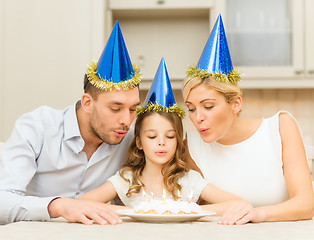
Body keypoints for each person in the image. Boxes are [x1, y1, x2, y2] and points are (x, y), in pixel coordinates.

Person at [0, 21, 141, 225]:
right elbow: (2, 201)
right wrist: (59, 206)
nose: (126, 121)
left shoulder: (132, 138)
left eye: (132, 109)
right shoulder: (37, 127)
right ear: (87, 103)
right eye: (115, 108)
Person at [79, 58, 249, 221]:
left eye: (170, 136)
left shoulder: (187, 180)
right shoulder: (127, 180)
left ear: (178, 142)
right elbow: (82, 204)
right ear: (138, 142)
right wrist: (135, 212)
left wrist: (184, 211)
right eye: (152, 136)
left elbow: (239, 204)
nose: (161, 142)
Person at [182, 15, 314, 224]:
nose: (197, 118)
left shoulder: (280, 127)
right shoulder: (192, 145)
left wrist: (257, 214)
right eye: (191, 109)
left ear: (236, 104)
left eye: (208, 106)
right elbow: (194, 209)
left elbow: (306, 205)